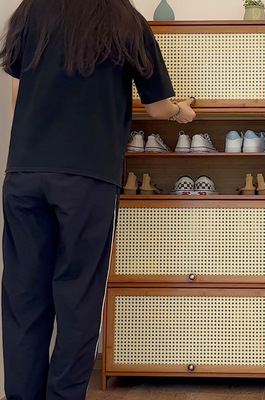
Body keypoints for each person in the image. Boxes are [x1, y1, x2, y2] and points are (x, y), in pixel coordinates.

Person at [0, 0, 196, 398]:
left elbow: (18, 95)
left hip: (25, 174)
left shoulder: (32, 10)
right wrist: (181, 111)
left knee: (23, 298)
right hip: (87, 177)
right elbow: (156, 107)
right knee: (78, 299)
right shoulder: (125, 19)